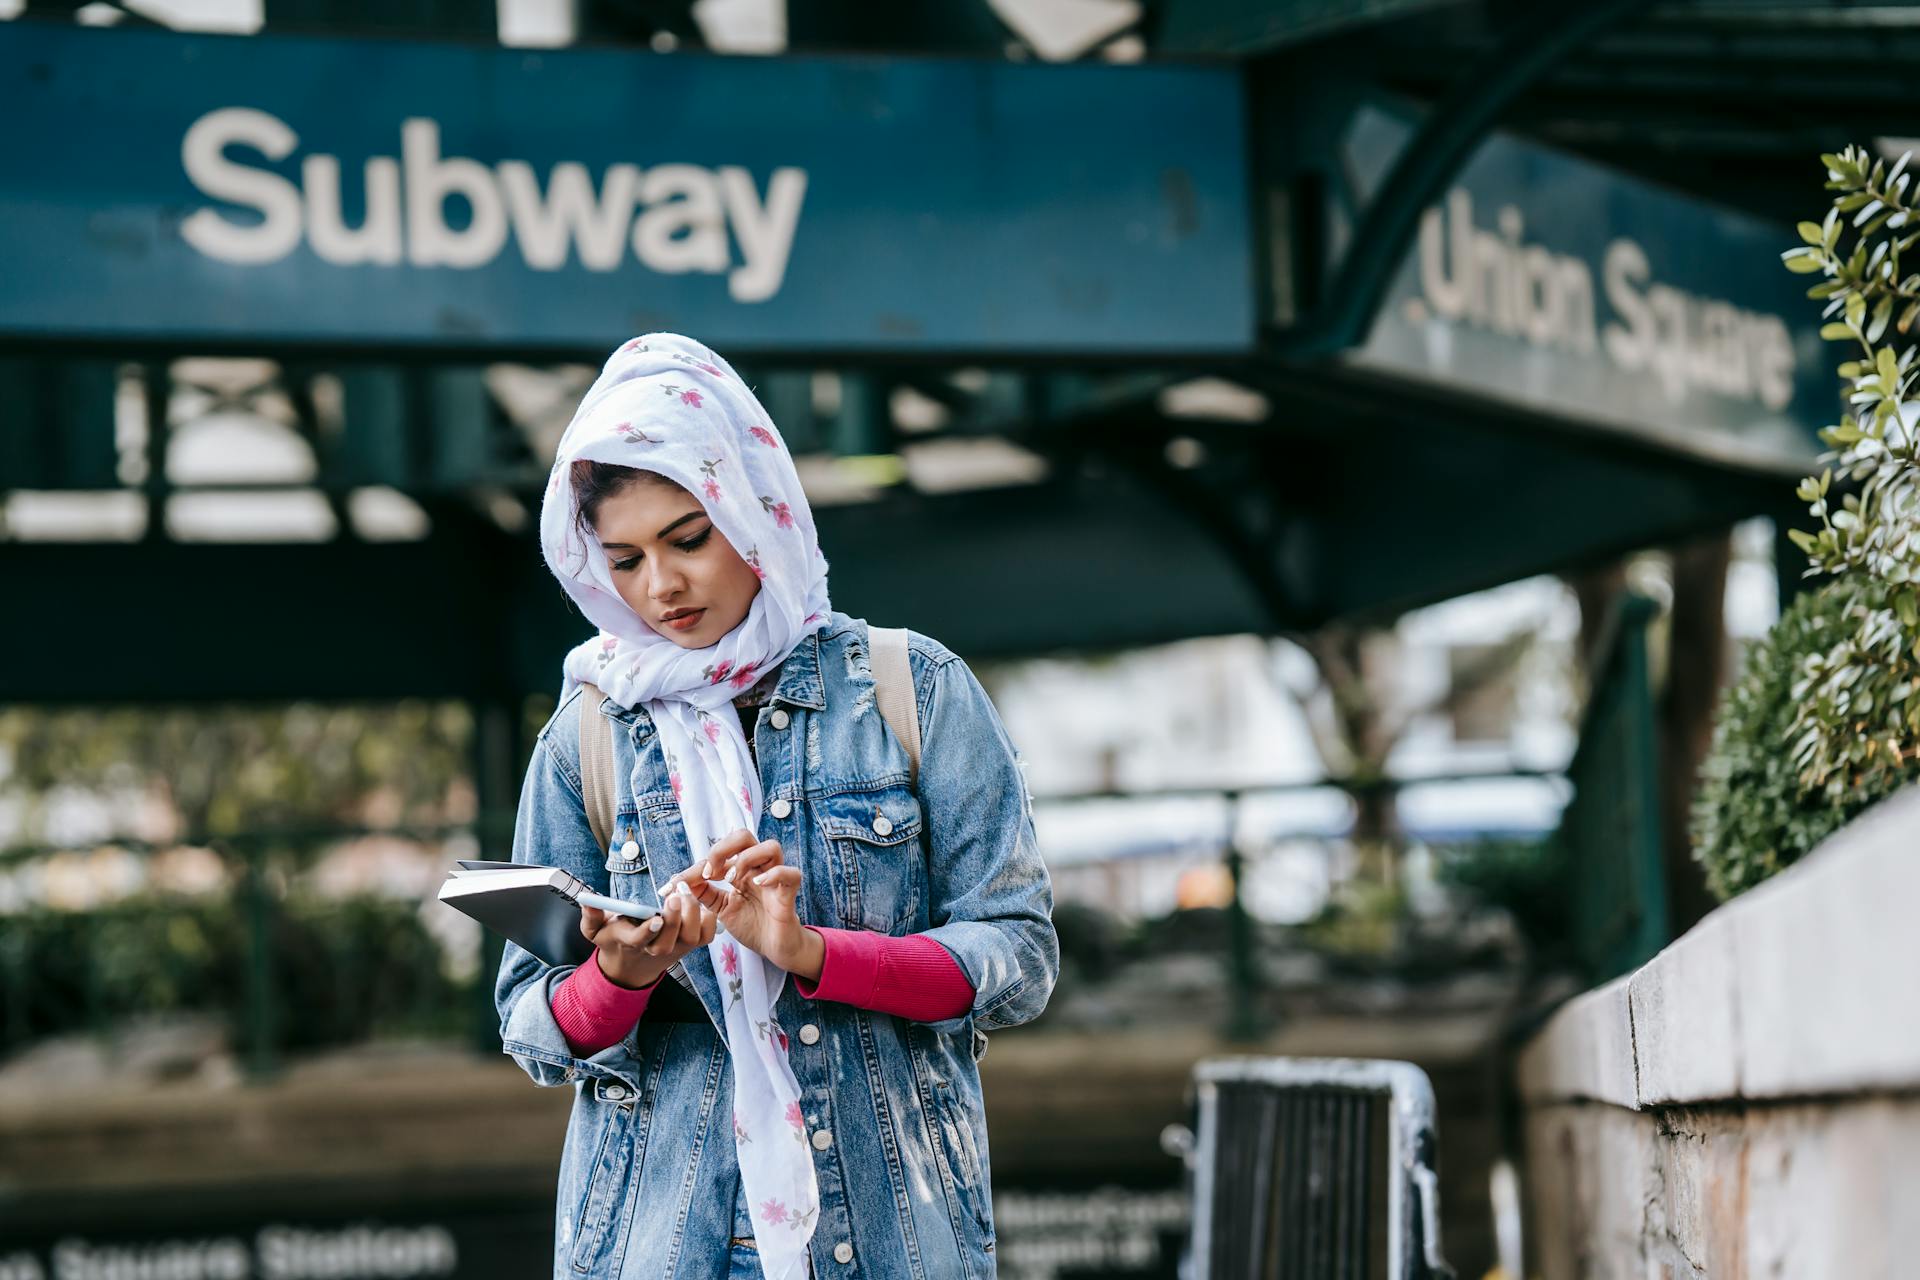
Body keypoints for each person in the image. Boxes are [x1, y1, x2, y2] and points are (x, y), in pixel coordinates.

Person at [493, 332, 1059, 1280]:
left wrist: (813, 955)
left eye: (687, 539)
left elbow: (1019, 957)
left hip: (889, 1240)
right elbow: (530, 1025)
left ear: (754, 512)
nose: (661, 587)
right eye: (623, 559)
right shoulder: (587, 732)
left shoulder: (908, 689)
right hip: (657, 1242)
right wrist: (620, 979)